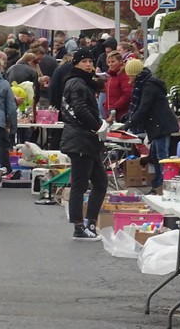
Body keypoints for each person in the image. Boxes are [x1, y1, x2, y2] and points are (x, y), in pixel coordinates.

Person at [59, 47, 106, 241]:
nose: (88, 64)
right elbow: (79, 109)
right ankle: (79, 227)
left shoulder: (84, 82)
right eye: (84, 61)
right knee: (80, 184)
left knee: (101, 182)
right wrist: (97, 126)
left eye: (90, 61)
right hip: (80, 138)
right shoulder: (76, 82)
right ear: (76, 63)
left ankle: (90, 223)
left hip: (86, 140)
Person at [123, 58, 179, 195]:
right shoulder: (144, 84)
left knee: (161, 157)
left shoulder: (148, 87)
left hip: (160, 125)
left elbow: (143, 108)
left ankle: (162, 186)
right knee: (155, 156)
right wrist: (127, 119)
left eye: (129, 74)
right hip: (157, 125)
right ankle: (158, 184)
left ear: (135, 74)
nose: (128, 77)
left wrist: (128, 124)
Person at [104, 50, 134, 121]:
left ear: (120, 61)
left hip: (121, 113)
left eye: (113, 61)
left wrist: (115, 107)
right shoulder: (111, 76)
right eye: (109, 62)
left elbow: (128, 94)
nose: (110, 64)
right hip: (112, 113)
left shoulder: (123, 75)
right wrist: (105, 105)